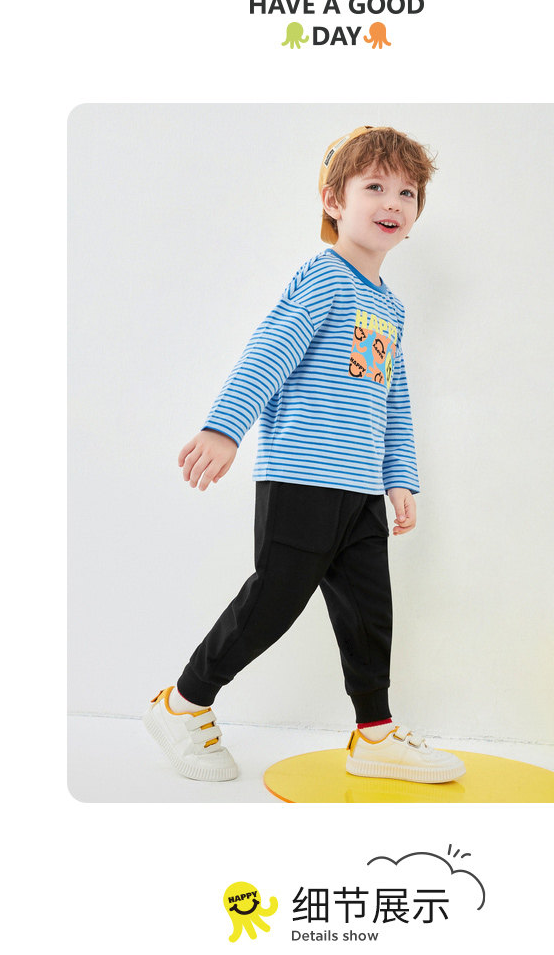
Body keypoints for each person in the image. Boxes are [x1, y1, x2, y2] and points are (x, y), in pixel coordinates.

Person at [143, 125, 465, 785]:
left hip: (360, 489)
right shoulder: (324, 278)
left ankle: (375, 734)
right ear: (333, 200)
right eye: (374, 186)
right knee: (274, 602)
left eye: (407, 193)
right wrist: (225, 429)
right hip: (302, 478)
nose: (392, 202)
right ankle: (183, 704)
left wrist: (400, 478)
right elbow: (270, 351)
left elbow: (393, 399)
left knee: (370, 614)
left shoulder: (389, 307)